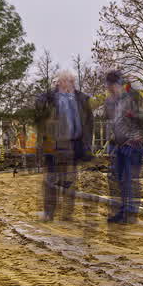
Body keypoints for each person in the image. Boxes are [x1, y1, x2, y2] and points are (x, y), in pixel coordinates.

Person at [33, 70, 93, 221]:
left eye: (72, 81)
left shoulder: (82, 99)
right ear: (59, 82)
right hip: (53, 144)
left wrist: (87, 145)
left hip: (74, 145)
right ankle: (49, 213)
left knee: (70, 181)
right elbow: (38, 108)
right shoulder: (49, 98)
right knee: (50, 180)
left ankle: (67, 215)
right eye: (66, 81)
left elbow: (89, 124)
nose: (70, 84)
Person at [103, 70, 143, 223]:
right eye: (109, 86)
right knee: (120, 180)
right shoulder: (110, 101)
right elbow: (110, 122)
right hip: (118, 145)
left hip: (134, 144)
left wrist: (133, 115)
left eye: (113, 85)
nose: (111, 89)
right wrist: (111, 141)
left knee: (130, 179)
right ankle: (122, 212)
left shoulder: (134, 97)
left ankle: (130, 214)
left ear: (120, 84)